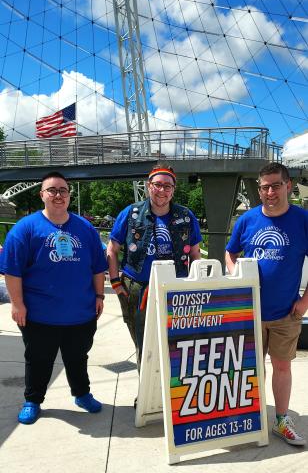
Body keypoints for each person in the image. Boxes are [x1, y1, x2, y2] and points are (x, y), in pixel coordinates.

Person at [0, 171, 108, 424]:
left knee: (78, 357)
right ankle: (33, 400)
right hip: (39, 314)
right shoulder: (25, 229)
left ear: (69, 195)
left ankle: (82, 394)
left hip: (80, 313)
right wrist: (17, 304)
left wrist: (100, 295)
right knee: (38, 360)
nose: (58, 195)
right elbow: (12, 271)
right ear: (42, 195)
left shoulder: (86, 228)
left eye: (63, 190)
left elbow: (96, 267)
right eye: (52, 190)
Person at [225, 162, 308, 446]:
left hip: (286, 311)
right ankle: (249, 418)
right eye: (264, 187)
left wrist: (305, 301)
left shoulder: (302, 219)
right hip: (249, 311)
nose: (270, 192)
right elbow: (230, 253)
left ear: (288, 185)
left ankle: (282, 420)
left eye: (275, 185)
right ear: (259, 190)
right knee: (250, 367)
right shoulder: (246, 220)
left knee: (282, 367)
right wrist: (237, 281)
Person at [107, 165, 202, 374]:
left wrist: (194, 286)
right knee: (142, 345)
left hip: (175, 290)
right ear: (149, 186)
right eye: (157, 184)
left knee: (176, 344)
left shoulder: (186, 216)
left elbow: (195, 254)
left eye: (167, 186)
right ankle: (146, 397)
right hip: (137, 288)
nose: (162, 190)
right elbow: (112, 249)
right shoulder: (131, 214)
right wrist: (115, 283)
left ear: (173, 189)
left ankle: (171, 396)